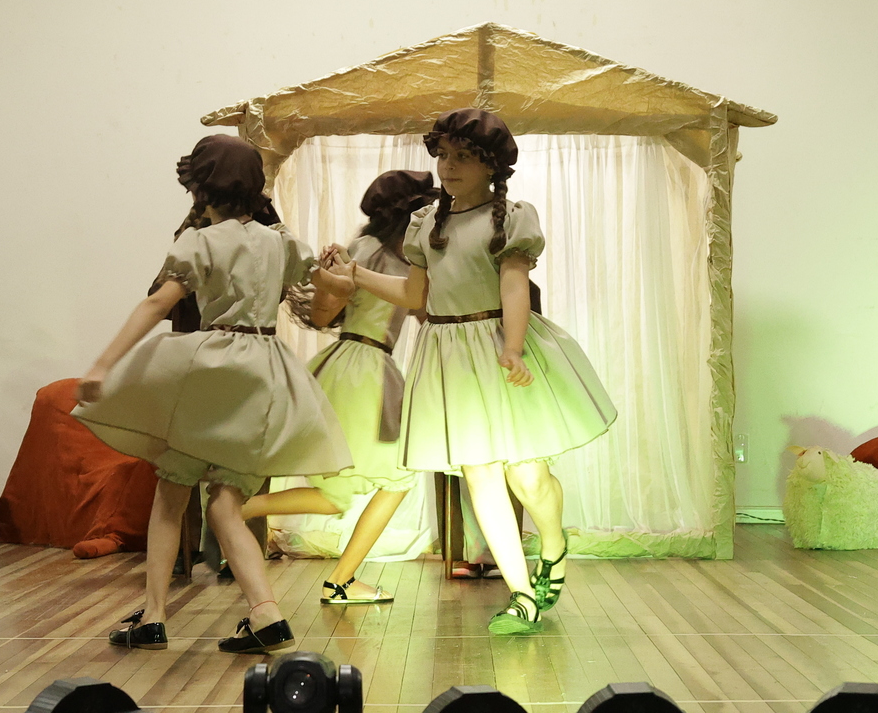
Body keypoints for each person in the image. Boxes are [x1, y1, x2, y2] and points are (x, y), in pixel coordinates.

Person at [329, 108, 616, 634]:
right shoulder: (425, 224)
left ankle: (553, 545)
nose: (448, 165)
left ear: (491, 165)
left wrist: (513, 348)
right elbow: (414, 295)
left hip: (496, 346)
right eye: (443, 155)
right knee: (481, 475)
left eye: (463, 156)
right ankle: (523, 595)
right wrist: (357, 275)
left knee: (528, 477)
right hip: (448, 356)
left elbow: (514, 286)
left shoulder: (510, 218)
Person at [74, 134, 354, 652]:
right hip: (266, 370)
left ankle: (154, 616)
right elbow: (333, 294)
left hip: (214, 371)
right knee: (226, 503)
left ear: (202, 189)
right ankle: (266, 614)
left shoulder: (201, 242)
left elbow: (157, 305)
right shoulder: (282, 243)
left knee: (171, 490)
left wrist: (104, 363)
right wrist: (341, 275)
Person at [243, 170, 438, 604]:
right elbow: (424, 311)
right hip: (366, 372)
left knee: (340, 491)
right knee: (396, 479)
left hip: (343, 365)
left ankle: (238, 512)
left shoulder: (363, 250)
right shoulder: (401, 258)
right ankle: (338, 579)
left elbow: (322, 315)